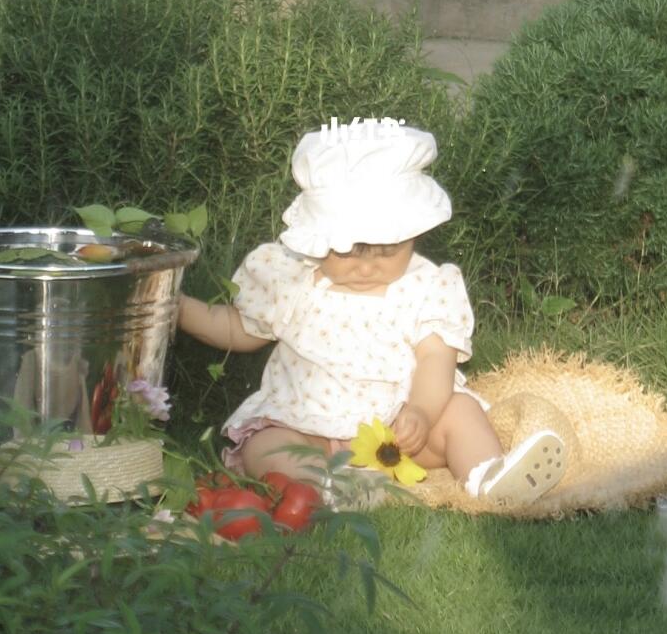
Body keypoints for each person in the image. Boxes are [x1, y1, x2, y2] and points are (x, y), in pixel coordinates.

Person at [176, 118, 567, 507]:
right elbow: (238, 328)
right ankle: (323, 488)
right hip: (307, 426)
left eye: (387, 250)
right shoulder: (292, 280)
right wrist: (175, 309)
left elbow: (436, 358)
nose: (366, 266)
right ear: (318, 237)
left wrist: (422, 412)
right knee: (266, 446)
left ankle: (488, 477)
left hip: (399, 432)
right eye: (349, 251)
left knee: (460, 412)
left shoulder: (426, 286)